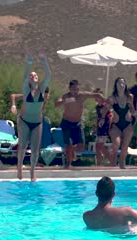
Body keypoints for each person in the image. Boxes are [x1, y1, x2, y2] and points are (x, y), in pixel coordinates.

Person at [10, 53, 51, 181]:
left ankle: (32, 172)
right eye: (31, 75)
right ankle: (19, 168)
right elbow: (25, 76)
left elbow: (49, 76)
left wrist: (44, 63)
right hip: (24, 121)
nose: (34, 76)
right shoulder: (26, 90)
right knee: (22, 146)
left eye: (36, 75)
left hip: (37, 122)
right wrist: (28, 63)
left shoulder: (41, 89)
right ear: (28, 79)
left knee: (35, 149)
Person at [55, 80, 104, 168]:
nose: (75, 91)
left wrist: (105, 101)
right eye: (73, 89)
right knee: (69, 144)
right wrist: (64, 101)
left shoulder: (82, 95)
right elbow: (56, 104)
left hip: (77, 123)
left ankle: (71, 151)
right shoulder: (66, 96)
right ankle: (68, 164)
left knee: (81, 146)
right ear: (69, 89)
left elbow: (96, 95)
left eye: (77, 89)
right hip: (66, 123)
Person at [106, 77, 136, 169]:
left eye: (123, 83)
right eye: (119, 83)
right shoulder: (112, 98)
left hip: (128, 124)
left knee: (125, 145)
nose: (121, 85)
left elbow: (132, 109)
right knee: (116, 144)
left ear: (125, 85)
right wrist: (104, 118)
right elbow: (104, 110)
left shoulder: (130, 97)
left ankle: (122, 162)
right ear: (116, 85)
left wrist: (136, 116)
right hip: (116, 125)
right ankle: (113, 157)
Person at [93, 88, 113, 166]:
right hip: (99, 128)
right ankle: (100, 163)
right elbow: (98, 118)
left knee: (99, 147)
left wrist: (109, 128)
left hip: (104, 128)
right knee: (98, 147)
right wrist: (96, 128)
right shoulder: (97, 107)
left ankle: (111, 161)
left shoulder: (105, 106)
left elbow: (110, 116)